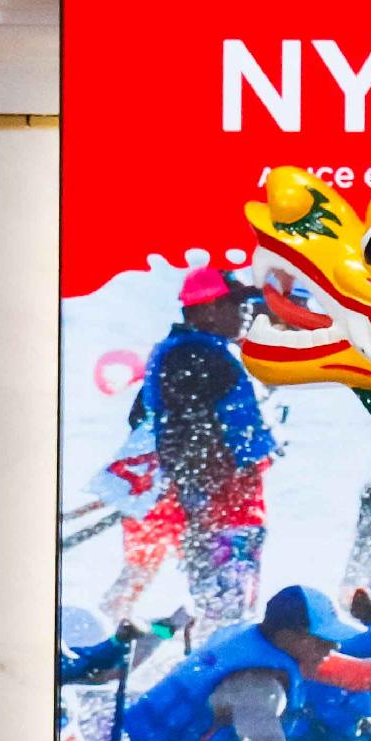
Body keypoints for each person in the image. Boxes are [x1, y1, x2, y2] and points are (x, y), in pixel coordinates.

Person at [109, 585, 371, 741]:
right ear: (289, 636)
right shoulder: (257, 687)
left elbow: (362, 675)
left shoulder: (266, 639)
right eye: (324, 639)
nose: (334, 646)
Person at [106, 262, 277, 626]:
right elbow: (186, 434)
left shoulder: (183, 352)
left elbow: (142, 418)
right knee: (227, 613)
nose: (245, 312)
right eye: (235, 304)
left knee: (219, 605)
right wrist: (203, 495)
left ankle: (137, 635)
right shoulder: (201, 356)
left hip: (214, 507)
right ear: (207, 310)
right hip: (222, 510)